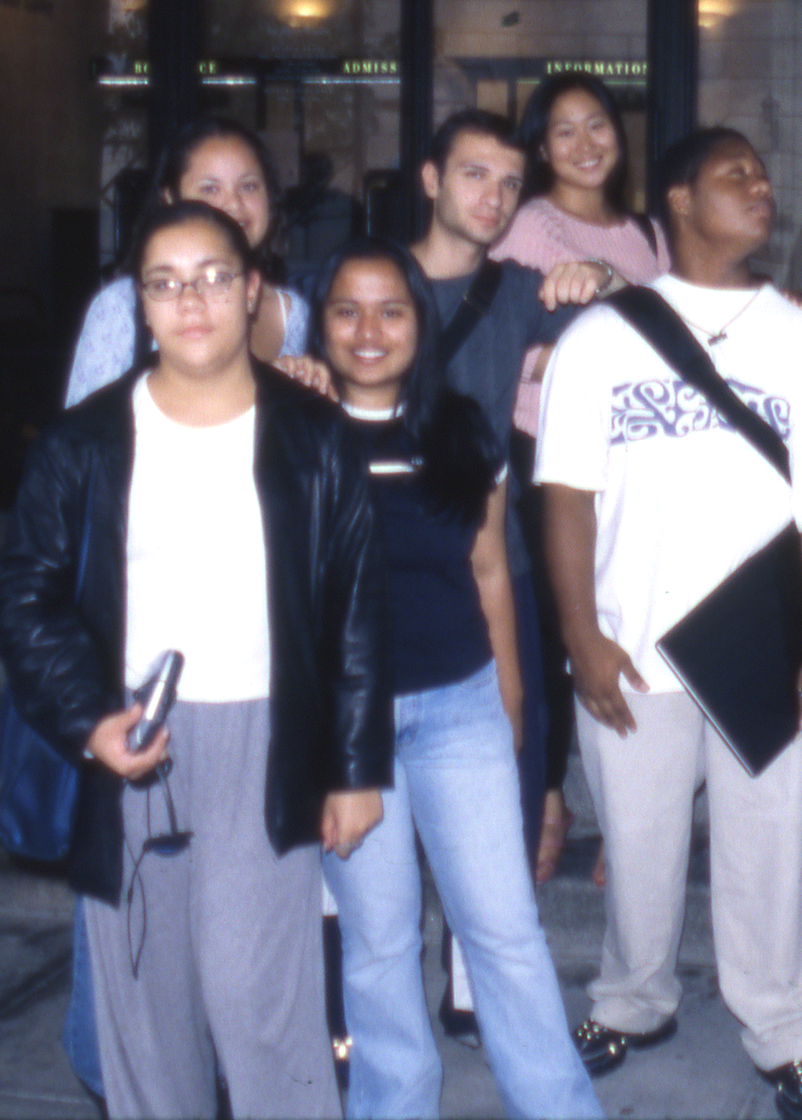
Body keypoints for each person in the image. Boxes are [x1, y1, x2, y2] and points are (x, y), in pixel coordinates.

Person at [0, 200, 391, 1119]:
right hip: (131, 736)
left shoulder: (314, 435)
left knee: (261, 1005)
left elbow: (356, 610)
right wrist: (87, 716)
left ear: (253, 289)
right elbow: (23, 596)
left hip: (266, 732)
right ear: (141, 303)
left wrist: (355, 767)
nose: (192, 300)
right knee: (145, 1010)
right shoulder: (83, 442)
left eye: (213, 276)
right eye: (165, 283)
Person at [537, 129, 802, 1120]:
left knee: (778, 847)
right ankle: (634, 1001)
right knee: (636, 845)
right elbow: (564, 498)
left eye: (766, 174)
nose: (761, 187)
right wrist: (580, 635)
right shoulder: (601, 336)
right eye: (736, 175)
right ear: (678, 199)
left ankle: (787, 1031)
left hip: (760, 645)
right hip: (632, 645)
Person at [310, 238, 600, 1120]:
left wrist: (510, 705)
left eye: (391, 310)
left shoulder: (463, 430)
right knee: (378, 943)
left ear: (420, 325)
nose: (369, 330)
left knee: (505, 934)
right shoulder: (292, 432)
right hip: (346, 726)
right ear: (319, 325)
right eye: (346, 310)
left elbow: (488, 576)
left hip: (460, 708)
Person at [400, 108, 614, 1040]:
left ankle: (472, 977)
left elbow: (626, 310)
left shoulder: (522, 289)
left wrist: (595, 272)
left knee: (508, 764)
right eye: (474, 175)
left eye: (507, 184)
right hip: (388, 565)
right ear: (430, 178)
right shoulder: (370, 284)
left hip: (497, 559)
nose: (491, 197)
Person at [492, 70, 671, 887]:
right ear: (539, 147)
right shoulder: (528, 224)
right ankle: (553, 797)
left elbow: (670, 336)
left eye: (597, 124)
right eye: (563, 131)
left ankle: (630, 812)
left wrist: (610, 289)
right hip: (544, 452)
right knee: (559, 624)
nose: (585, 144)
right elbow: (506, 343)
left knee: (623, 620)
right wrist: (574, 346)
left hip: (631, 458)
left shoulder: (649, 233)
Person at [67, 117, 308, 404]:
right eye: (209, 189)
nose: (233, 204)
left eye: (249, 186)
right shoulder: (121, 307)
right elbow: (80, 439)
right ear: (170, 198)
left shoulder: (293, 314)